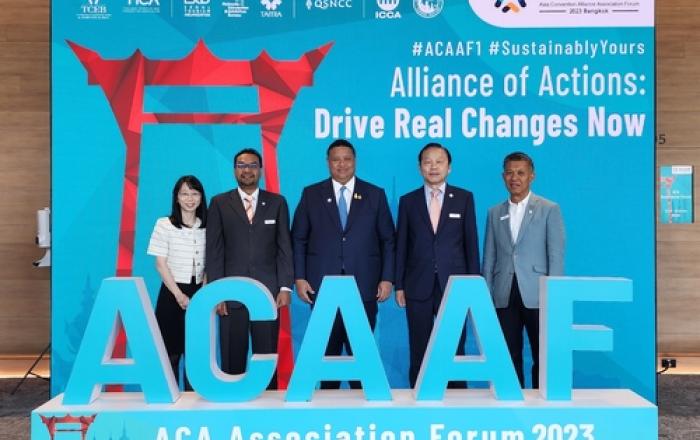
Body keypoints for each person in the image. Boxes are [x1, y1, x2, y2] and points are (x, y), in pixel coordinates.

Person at [292, 139, 395, 389]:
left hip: (365, 286)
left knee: (362, 354)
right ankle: (329, 406)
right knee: (327, 355)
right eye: (336, 159)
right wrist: (300, 277)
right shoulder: (311, 194)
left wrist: (387, 278)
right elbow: (298, 239)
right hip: (321, 287)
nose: (342, 164)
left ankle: (363, 405)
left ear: (355, 161)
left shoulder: (375, 194)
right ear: (327, 162)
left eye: (347, 159)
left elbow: (388, 241)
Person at [206, 148, 293, 389]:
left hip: (268, 295)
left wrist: (285, 287)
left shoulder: (277, 203)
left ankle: (268, 408)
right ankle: (232, 406)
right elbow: (214, 251)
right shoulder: (219, 203)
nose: (247, 170)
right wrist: (217, 293)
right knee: (232, 360)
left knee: (266, 360)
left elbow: (284, 248)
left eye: (253, 165)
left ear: (260, 170)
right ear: (235, 170)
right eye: (242, 165)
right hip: (231, 296)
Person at [395, 143, 480, 388]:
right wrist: (399, 285)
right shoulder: (408, 201)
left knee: (454, 346)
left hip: (454, 286)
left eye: (439, 162)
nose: (433, 167)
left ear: (449, 167)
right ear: (420, 167)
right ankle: (419, 395)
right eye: (427, 162)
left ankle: (456, 397)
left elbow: (471, 244)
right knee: (419, 345)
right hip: (417, 284)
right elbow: (402, 245)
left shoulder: (464, 198)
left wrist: (472, 286)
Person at [482, 151, 565, 388]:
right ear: (503, 177)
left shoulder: (549, 209)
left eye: (520, 173)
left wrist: (554, 294)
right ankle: (512, 400)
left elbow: (556, 255)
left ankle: (543, 399)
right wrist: (485, 294)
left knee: (543, 354)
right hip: (504, 293)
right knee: (508, 355)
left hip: (538, 293)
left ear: (531, 176)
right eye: (509, 173)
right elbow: (489, 257)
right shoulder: (494, 212)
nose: (514, 178)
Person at [147, 175, 207, 390]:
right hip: (172, 293)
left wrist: (204, 290)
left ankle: (194, 398)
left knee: (195, 353)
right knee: (170, 351)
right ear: (177, 198)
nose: (190, 199)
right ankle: (171, 397)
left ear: (201, 197)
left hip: (199, 292)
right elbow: (160, 263)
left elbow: (212, 261)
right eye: (184, 194)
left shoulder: (207, 225)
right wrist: (178, 294)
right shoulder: (164, 224)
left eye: (194, 193)